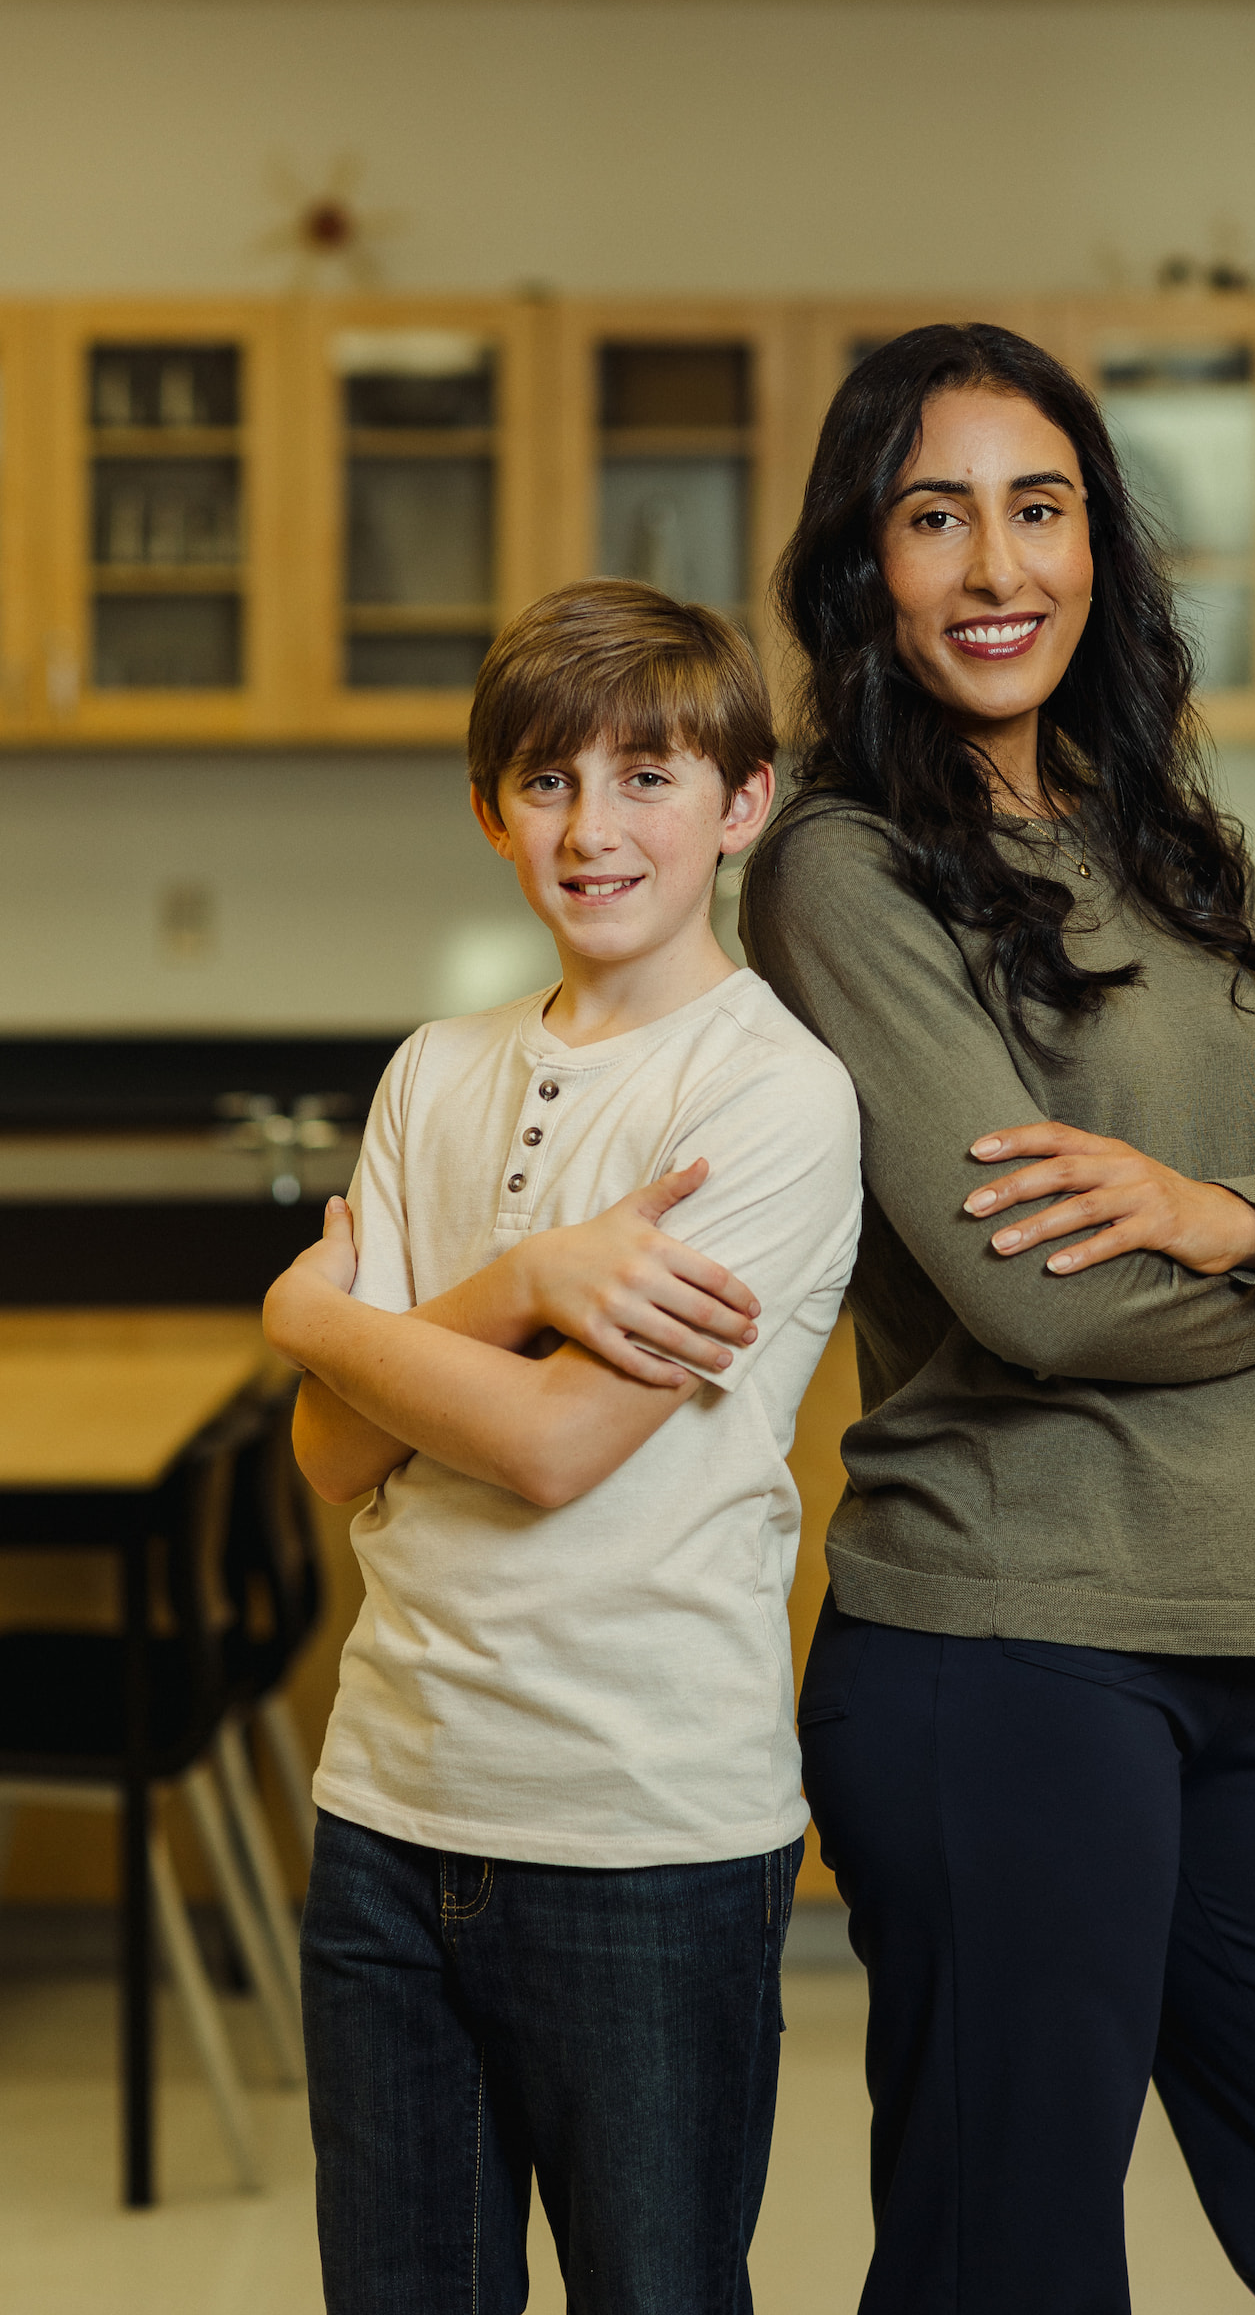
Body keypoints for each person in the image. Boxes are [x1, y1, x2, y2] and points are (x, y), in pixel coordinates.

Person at [741, 324, 1255, 2315]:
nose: (995, 564)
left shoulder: (1166, 831)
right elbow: (1036, 1301)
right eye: (936, 515)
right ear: (867, 559)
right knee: (1001, 2268)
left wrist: (1207, 1215)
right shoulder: (842, 873)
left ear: (1096, 543)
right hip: (995, 1651)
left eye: (1039, 506)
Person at [261, 581, 862, 2315]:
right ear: (489, 808)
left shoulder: (769, 1096)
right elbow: (330, 1456)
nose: (593, 829)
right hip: (388, 1805)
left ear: (743, 804)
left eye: (649, 778)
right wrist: (519, 1281)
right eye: (545, 782)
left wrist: (321, 1317)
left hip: (643, 1830)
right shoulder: (431, 1074)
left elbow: (541, 1449)